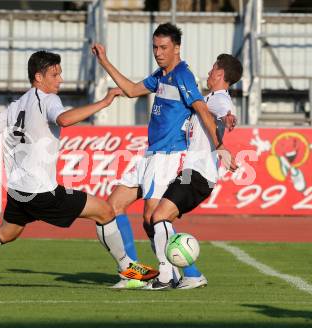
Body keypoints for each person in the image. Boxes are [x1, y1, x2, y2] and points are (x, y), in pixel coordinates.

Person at [0, 50, 159, 289]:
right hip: (41, 192)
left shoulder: (16, 105)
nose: (60, 79)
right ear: (38, 77)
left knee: (6, 233)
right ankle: (127, 269)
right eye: (54, 74)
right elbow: (64, 120)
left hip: (18, 191)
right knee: (106, 212)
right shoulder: (47, 99)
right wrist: (104, 102)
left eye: (60, 73)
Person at [92, 23, 236, 289]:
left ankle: (172, 274)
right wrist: (105, 62)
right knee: (111, 208)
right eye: (155, 47)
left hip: (168, 156)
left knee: (153, 218)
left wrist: (220, 144)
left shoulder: (183, 75)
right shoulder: (161, 75)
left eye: (163, 48)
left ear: (176, 48)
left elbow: (204, 110)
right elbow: (133, 90)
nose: (158, 52)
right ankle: (137, 274)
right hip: (149, 154)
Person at [145, 54, 242, 289]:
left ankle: (172, 276)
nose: (208, 73)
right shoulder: (208, 98)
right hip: (190, 173)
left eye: (212, 68)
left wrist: (227, 118)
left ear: (220, 74)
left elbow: (223, 111)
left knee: (158, 217)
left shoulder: (220, 99)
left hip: (198, 175)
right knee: (154, 220)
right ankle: (187, 273)